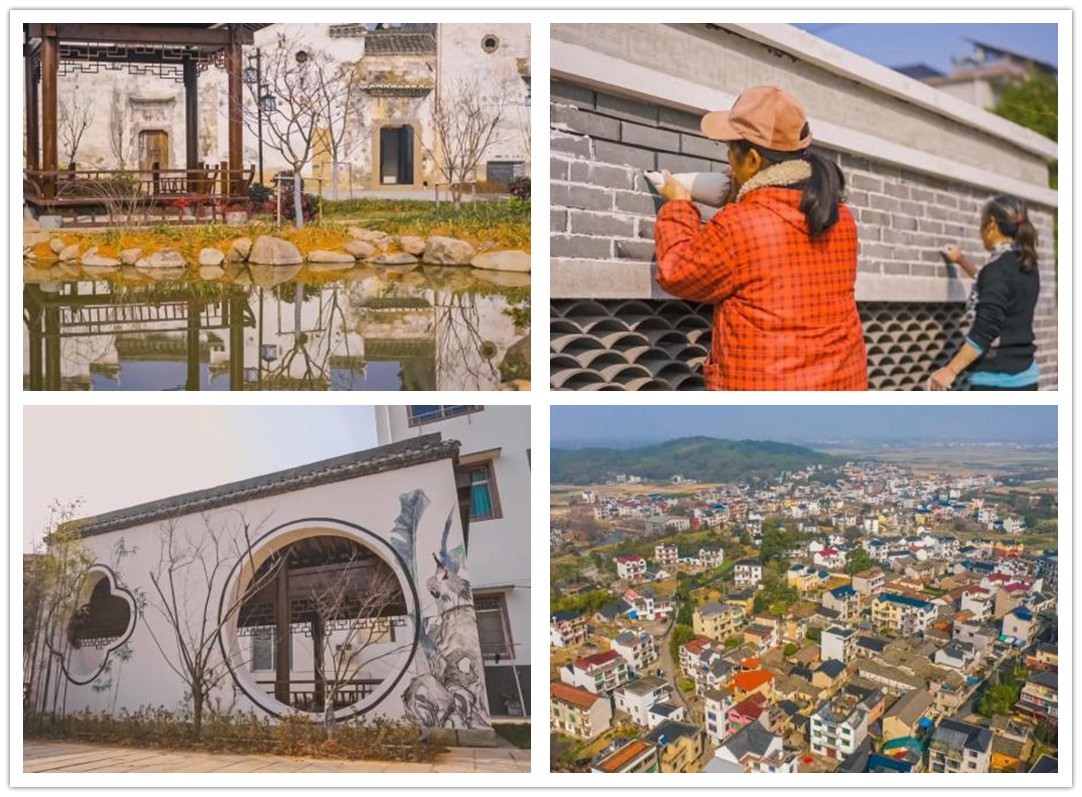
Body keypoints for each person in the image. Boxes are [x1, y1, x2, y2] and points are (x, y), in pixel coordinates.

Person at [654, 85, 867, 391]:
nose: (728, 162)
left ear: (753, 160)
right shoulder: (840, 216)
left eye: (730, 152)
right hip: (841, 382)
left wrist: (678, 206)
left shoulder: (740, 223)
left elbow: (677, 272)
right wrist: (743, 193)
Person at [928, 195, 1040, 391]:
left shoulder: (997, 269)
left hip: (997, 380)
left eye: (981, 223)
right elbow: (997, 288)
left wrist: (950, 371)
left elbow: (986, 328)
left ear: (992, 224)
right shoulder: (1027, 264)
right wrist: (962, 260)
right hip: (1027, 375)